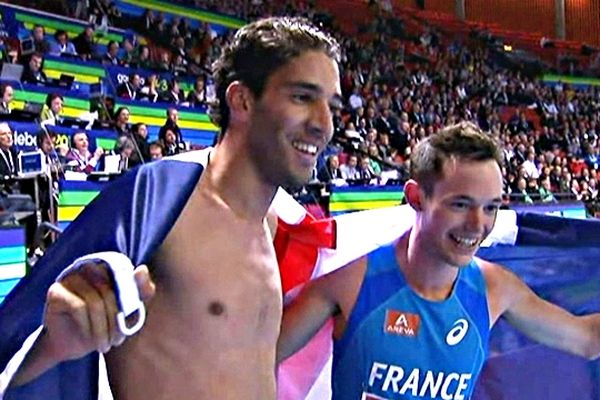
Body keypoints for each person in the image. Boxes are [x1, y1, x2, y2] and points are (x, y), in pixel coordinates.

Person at [0, 16, 342, 400]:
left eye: (332, 106)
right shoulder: (157, 203)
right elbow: (14, 343)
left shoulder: (274, 222)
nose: (325, 124)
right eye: (303, 97)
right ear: (242, 100)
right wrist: (49, 346)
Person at [277, 122, 600, 400]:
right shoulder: (350, 282)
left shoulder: (495, 289)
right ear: (417, 197)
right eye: (461, 204)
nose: (477, 225)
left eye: (490, 207)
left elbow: (586, 340)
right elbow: (257, 361)